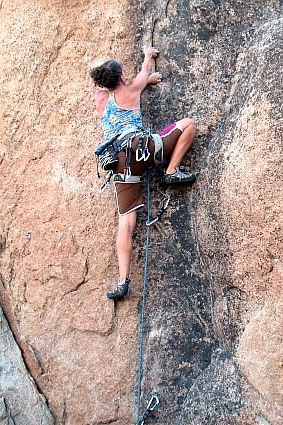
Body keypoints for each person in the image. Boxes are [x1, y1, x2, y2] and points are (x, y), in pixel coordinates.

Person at [90, 46, 197, 301]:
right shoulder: (129, 89)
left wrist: (143, 82)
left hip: (118, 163)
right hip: (141, 150)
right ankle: (172, 171)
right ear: (120, 78)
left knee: (126, 222)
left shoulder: (100, 100)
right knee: (189, 124)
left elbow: (136, 83)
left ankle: (122, 281)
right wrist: (148, 55)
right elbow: (144, 72)